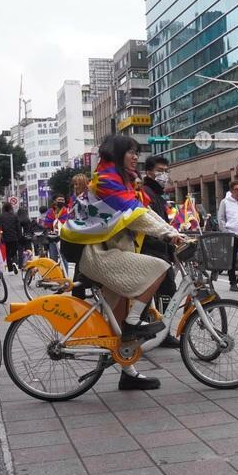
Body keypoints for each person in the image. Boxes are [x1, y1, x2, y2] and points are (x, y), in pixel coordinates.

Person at [61, 135, 186, 390]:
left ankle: (127, 372)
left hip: (106, 251)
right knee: (159, 267)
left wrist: (172, 231)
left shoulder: (120, 182)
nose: (135, 157)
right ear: (116, 153)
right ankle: (132, 325)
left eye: (137, 152)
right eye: (131, 151)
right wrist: (167, 234)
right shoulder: (107, 181)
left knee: (116, 321)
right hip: (95, 254)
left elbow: (142, 211)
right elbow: (136, 216)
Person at [140, 156, 179, 348]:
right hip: (152, 252)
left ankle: (152, 331)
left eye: (166, 171)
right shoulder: (147, 193)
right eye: (160, 170)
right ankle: (161, 333)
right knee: (166, 291)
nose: (164, 175)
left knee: (152, 295)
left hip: (159, 251)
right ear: (149, 172)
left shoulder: (155, 193)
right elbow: (149, 226)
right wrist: (166, 240)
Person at [218, 180, 238, 291]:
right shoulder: (225, 202)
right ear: (231, 190)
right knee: (231, 260)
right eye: (237, 189)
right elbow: (221, 219)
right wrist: (226, 231)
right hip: (230, 234)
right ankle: (233, 282)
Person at [42, 194, 68, 265]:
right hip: (52, 238)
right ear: (54, 201)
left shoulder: (66, 212)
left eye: (63, 200)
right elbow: (47, 225)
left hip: (63, 238)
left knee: (64, 259)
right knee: (53, 259)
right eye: (59, 200)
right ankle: (54, 275)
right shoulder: (50, 212)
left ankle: (65, 275)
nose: (61, 201)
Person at [0, 202, 22, 273]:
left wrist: (1, 237)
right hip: (14, 237)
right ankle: (14, 262)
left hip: (5, 237)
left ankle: (10, 269)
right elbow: (18, 227)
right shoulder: (14, 216)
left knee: (7, 253)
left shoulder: (0, 216)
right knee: (14, 252)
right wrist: (19, 236)